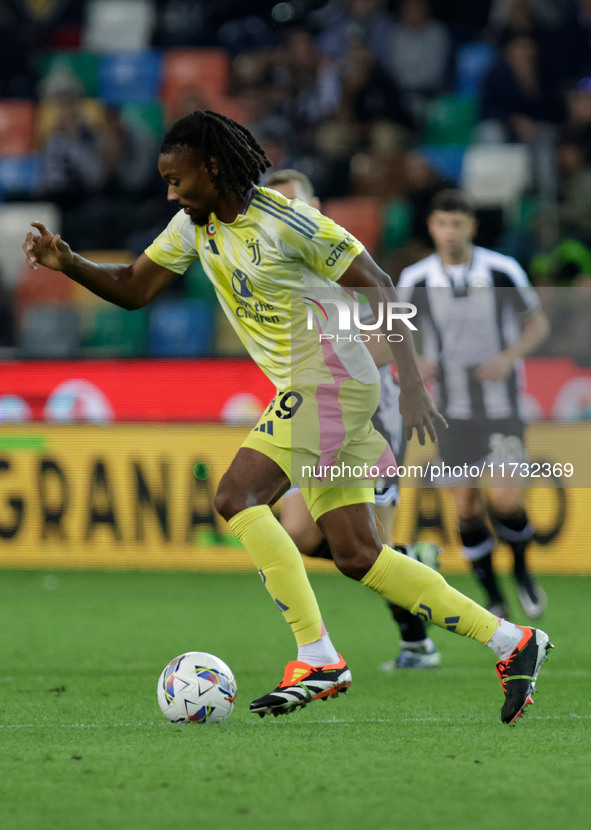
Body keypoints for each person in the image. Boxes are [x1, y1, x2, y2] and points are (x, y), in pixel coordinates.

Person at [23, 109, 552, 724]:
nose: (170, 191)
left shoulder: (288, 221)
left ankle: (317, 655)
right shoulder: (193, 224)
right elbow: (135, 287)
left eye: (178, 179)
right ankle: (511, 642)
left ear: (213, 167)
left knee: (235, 496)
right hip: (317, 390)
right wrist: (70, 264)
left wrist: (408, 385)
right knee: (359, 555)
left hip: (331, 383)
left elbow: (379, 283)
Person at [266, 167, 441, 670]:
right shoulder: (279, 274)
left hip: (372, 424)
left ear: (315, 205)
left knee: (371, 550)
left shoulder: (342, 261)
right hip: (316, 420)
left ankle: (417, 642)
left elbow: (395, 336)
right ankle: (414, 563)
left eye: (293, 204)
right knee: (299, 532)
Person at [397, 189, 551, 620]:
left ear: (472, 226)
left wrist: (507, 357)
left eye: (457, 224)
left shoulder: (502, 270)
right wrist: (418, 361)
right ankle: (494, 596)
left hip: (502, 406)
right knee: (464, 505)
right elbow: (396, 332)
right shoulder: (417, 277)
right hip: (449, 410)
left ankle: (521, 570)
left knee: (504, 499)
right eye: (442, 224)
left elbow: (537, 323)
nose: (449, 233)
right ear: (431, 227)